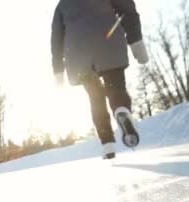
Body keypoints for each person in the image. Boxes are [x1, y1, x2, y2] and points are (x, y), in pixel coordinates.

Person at [51, 0, 149, 159]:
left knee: (95, 98)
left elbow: (56, 40)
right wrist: (136, 41)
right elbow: (128, 10)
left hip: (79, 55)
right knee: (116, 87)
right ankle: (121, 110)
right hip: (109, 42)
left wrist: (58, 71)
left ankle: (107, 144)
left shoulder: (62, 4)